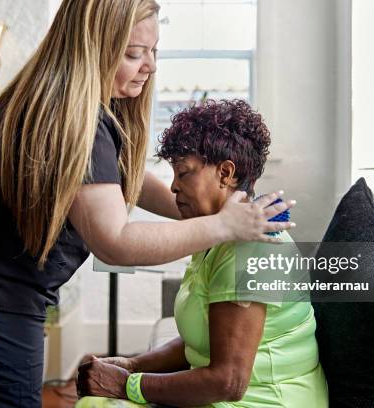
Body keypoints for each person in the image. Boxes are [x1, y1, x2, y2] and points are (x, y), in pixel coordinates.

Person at [0, 1, 295, 407]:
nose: (150, 66)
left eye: (154, 50)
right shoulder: (74, 117)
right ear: (93, 48)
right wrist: (223, 226)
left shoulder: (83, 103)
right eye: (134, 53)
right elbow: (115, 243)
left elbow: (121, 178)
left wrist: (213, 211)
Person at [75, 99, 327, 408]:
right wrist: (133, 365)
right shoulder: (216, 234)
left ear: (225, 172)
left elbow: (229, 380)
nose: (172, 187)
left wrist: (126, 384)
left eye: (183, 173)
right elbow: (205, 339)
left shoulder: (252, 249)